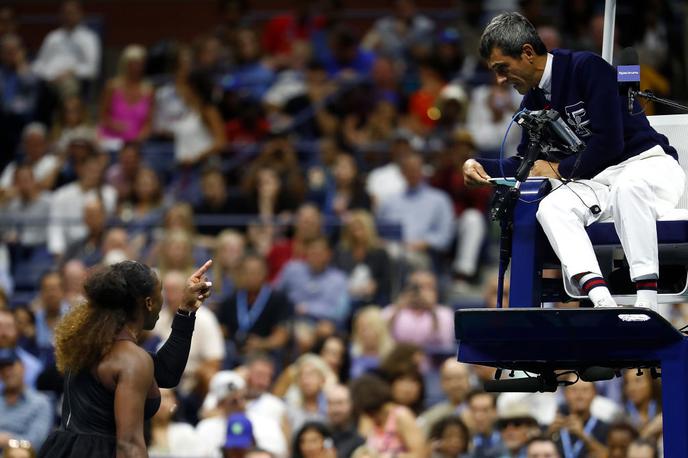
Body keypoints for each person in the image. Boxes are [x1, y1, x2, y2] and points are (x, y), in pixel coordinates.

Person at [463, 12, 684, 310]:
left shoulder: (587, 68)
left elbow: (609, 143)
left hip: (647, 166)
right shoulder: (533, 102)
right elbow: (526, 164)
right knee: (552, 207)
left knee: (627, 189)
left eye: (502, 68)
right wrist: (478, 165)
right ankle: (602, 301)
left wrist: (558, 168)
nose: (500, 79)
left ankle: (647, 302)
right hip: (599, 182)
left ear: (527, 53)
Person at [38, 259, 213, 458]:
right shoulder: (130, 359)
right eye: (160, 293)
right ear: (148, 303)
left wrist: (186, 311)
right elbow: (129, 446)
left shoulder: (88, 343)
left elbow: (166, 373)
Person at [350, 374, 426, 458]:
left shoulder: (401, 415)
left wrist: (392, 457)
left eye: (372, 413)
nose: (370, 416)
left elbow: (421, 454)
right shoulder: (369, 420)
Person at [0, 348, 52, 451]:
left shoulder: (40, 403)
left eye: (11, 366)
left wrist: (8, 441)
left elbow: (35, 443)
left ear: (23, 367)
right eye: (2, 368)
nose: (7, 372)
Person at [324, 384, 365, 458]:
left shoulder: (359, 439)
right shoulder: (321, 434)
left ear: (351, 405)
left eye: (340, 403)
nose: (335, 409)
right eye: (330, 403)